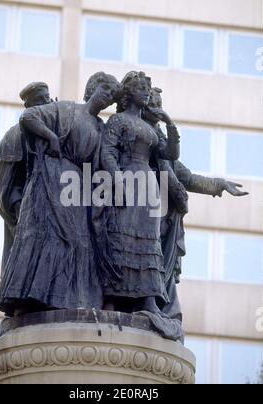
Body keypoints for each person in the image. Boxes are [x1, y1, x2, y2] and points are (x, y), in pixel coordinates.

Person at [0, 72, 122, 317]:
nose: (107, 98)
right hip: (51, 180)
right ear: (92, 87)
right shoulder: (67, 109)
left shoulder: (100, 127)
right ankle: (28, 299)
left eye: (112, 97)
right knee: (44, 237)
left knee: (79, 242)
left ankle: (72, 300)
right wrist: (51, 136)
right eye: (105, 89)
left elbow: (102, 163)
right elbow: (29, 117)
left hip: (77, 187)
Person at [142, 87, 248, 341]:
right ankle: (146, 305)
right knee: (149, 261)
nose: (159, 109)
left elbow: (186, 176)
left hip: (166, 219)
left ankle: (163, 309)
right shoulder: (140, 137)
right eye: (154, 104)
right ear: (145, 106)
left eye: (161, 104)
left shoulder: (162, 145)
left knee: (164, 268)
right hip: (143, 214)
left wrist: (219, 184)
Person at [101, 71, 180, 316]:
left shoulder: (150, 128)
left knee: (149, 242)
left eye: (147, 88)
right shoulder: (118, 121)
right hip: (127, 179)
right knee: (120, 240)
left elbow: (170, 153)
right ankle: (113, 297)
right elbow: (107, 152)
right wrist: (118, 181)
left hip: (148, 186)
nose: (146, 92)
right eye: (140, 88)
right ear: (129, 93)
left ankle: (147, 300)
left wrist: (168, 121)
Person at [0, 82, 52, 278]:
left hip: (51, 208)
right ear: (29, 107)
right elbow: (6, 184)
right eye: (39, 100)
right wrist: (18, 206)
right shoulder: (15, 135)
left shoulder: (55, 128)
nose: (46, 103)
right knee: (22, 265)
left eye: (47, 98)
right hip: (24, 209)